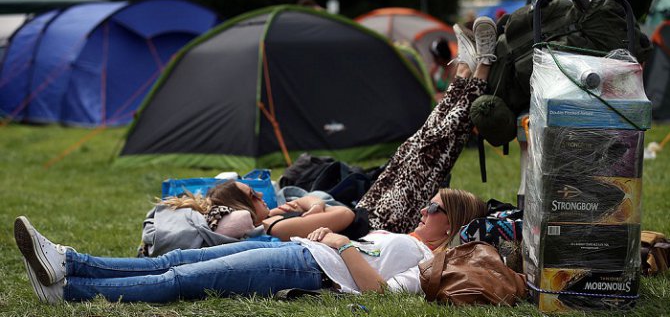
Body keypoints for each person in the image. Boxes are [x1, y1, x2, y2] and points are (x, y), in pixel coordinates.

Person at [14, 16, 499, 304]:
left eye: (434, 209)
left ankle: (67, 289)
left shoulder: (426, 260)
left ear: (450, 224)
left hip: (306, 267)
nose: (425, 210)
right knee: (184, 258)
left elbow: (378, 295)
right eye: (431, 205)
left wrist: (338, 240)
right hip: (307, 250)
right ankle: (67, 263)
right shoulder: (403, 234)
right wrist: (322, 219)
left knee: (184, 278)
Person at [159, 181, 355, 241]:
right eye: (253, 195)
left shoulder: (271, 217)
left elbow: (307, 199)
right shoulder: (276, 228)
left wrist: (315, 205)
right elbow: (346, 215)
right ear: (241, 206)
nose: (261, 195)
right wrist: (319, 207)